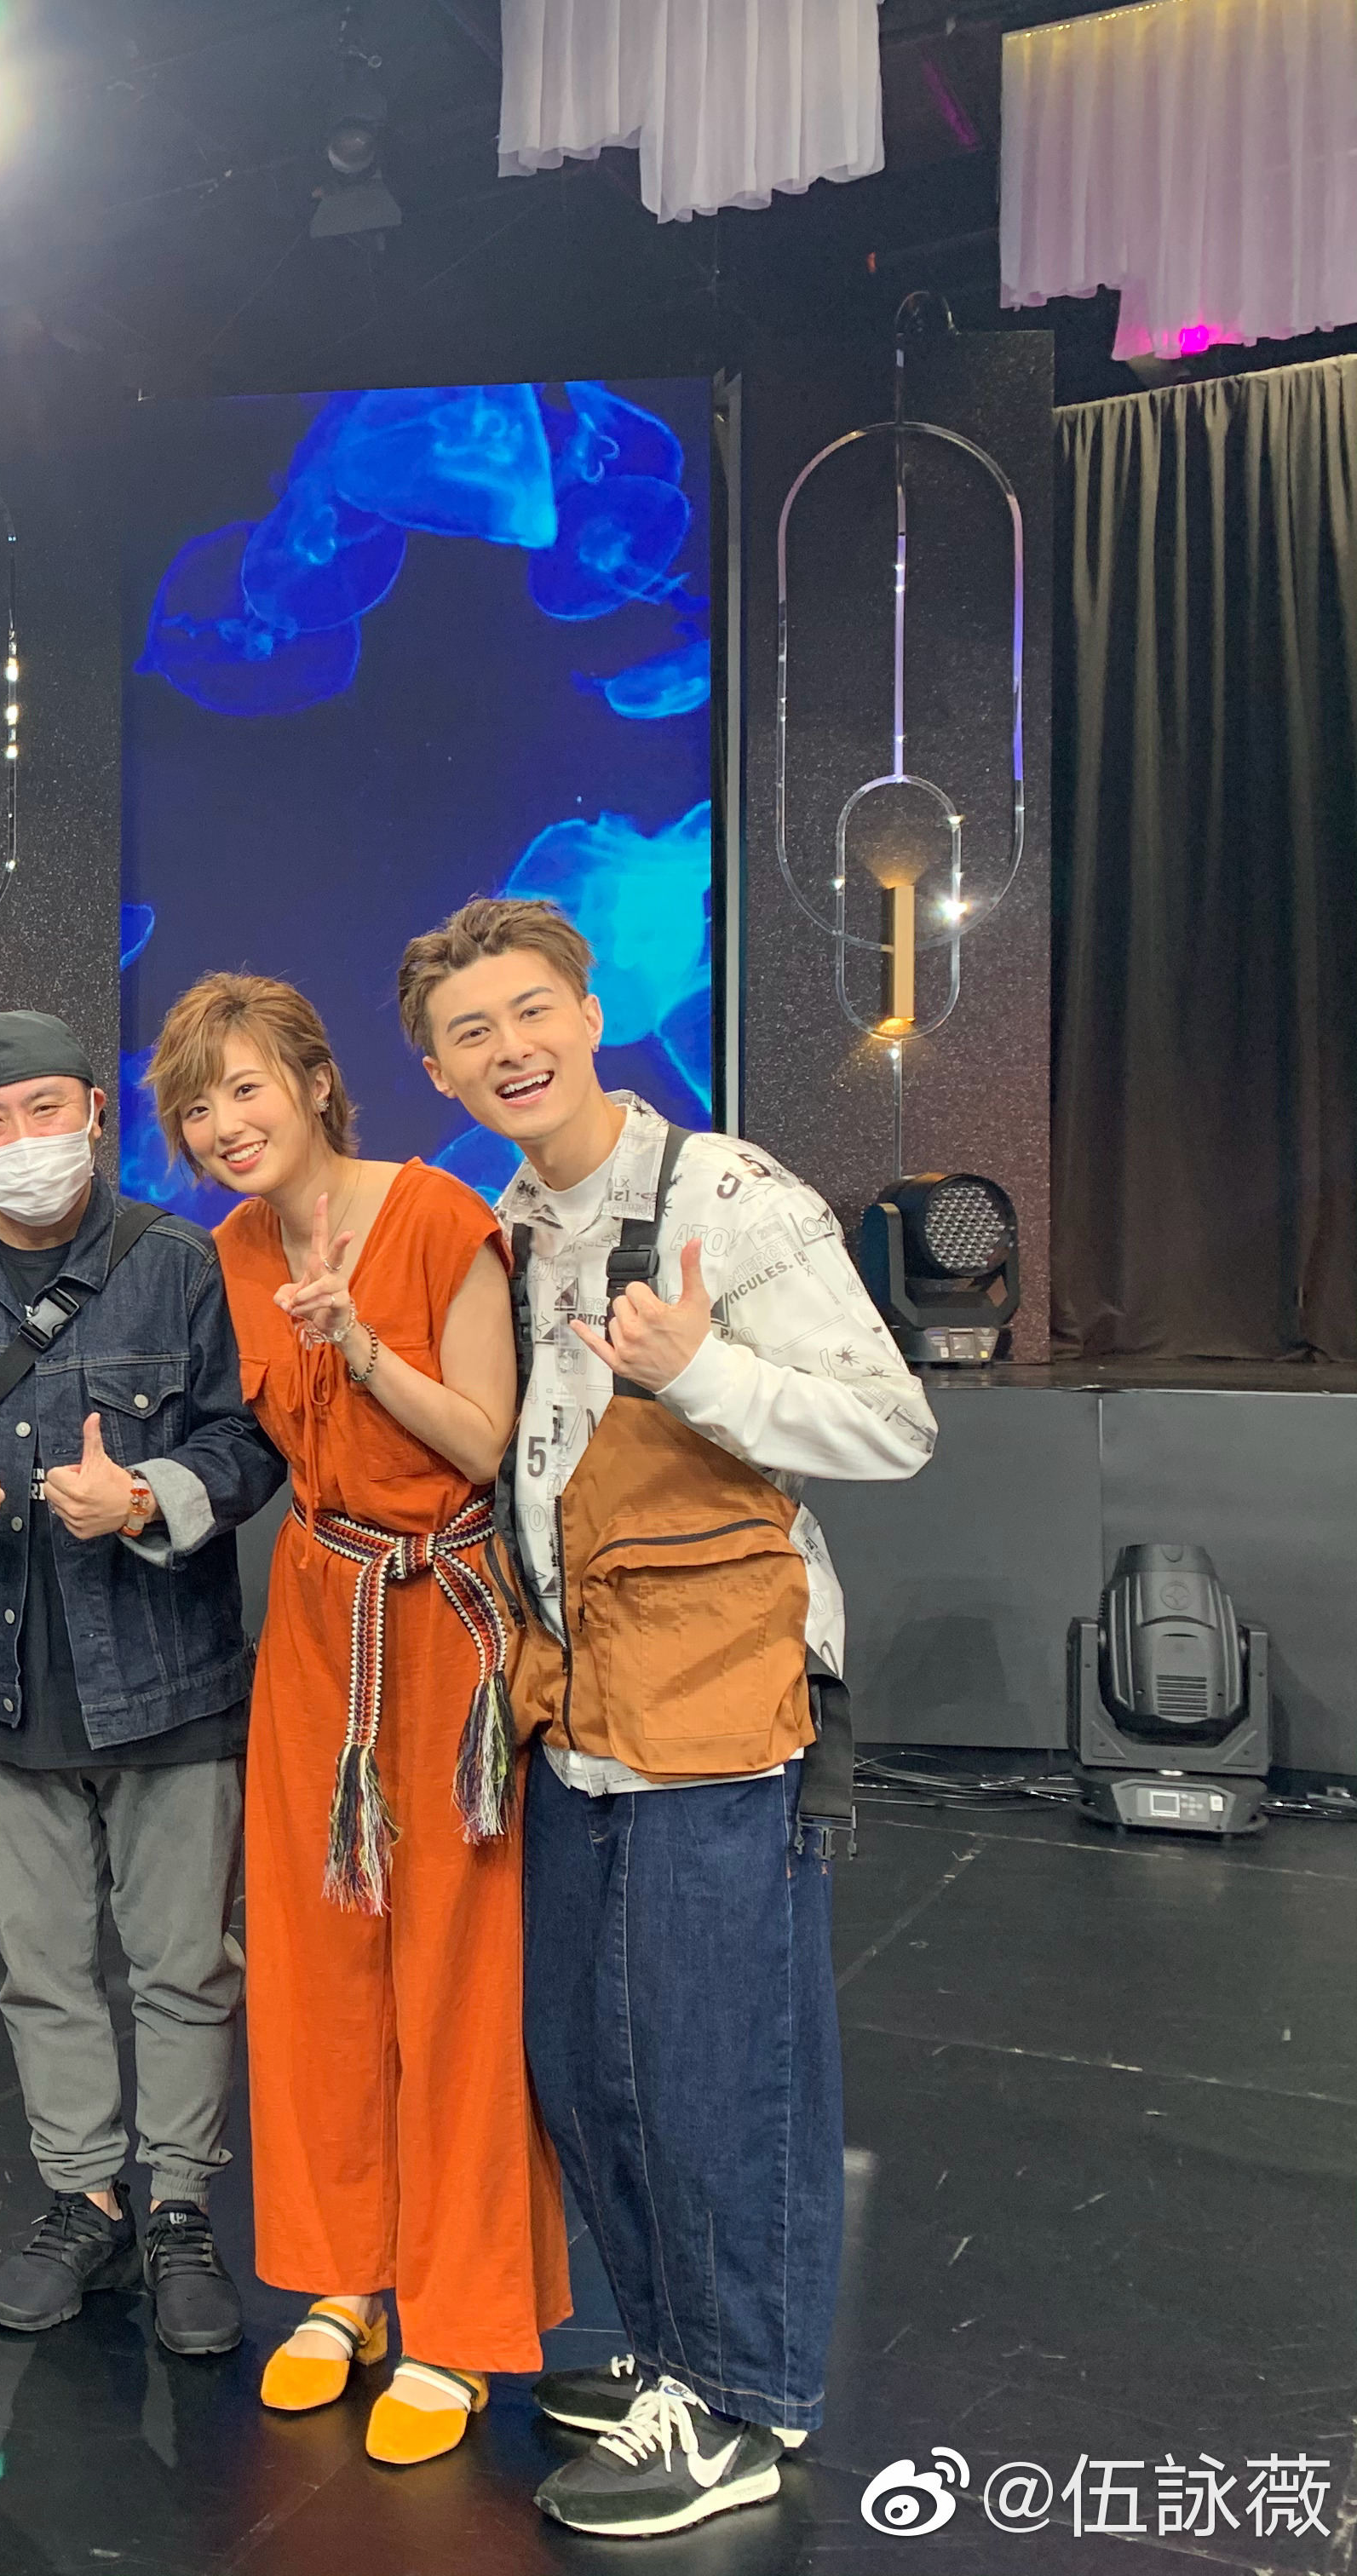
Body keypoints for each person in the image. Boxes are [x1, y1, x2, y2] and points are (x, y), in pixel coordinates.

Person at [400, 896, 935, 2537]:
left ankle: (743, 2404)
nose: (510, 1048)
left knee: (720, 2069)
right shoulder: (507, 1230)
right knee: (588, 2063)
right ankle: (671, 2352)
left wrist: (703, 1372)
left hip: (722, 1708)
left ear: (590, 1010)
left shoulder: (726, 1192)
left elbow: (892, 1426)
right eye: (472, 1033)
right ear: (437, 1072)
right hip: (577, 1710)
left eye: (531, 1011)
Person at [151, 972, 567, 2467]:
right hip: (320, 1621)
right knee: (316, 1963)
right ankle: (345, 2282)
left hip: (446, 1619)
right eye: (196, 1107)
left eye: (246, 1088)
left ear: (319, 1083)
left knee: (457, 1974)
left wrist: (361, 1343)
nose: (223, 1124)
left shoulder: (440, 1217)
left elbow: (488, 1442)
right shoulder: (227, 1253)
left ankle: (457, 2318)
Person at [0, 1009, 284, 2360]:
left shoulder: (181, 1264)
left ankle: (181, 2210)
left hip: (172, 1679)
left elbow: (248, 1442)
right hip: (1, 1682)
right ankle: (84, 2199)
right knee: (43, 1973)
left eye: (47, 1109)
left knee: (184, 1970)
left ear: (96, 1110)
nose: (24, 1140)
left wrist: (146, 1495)